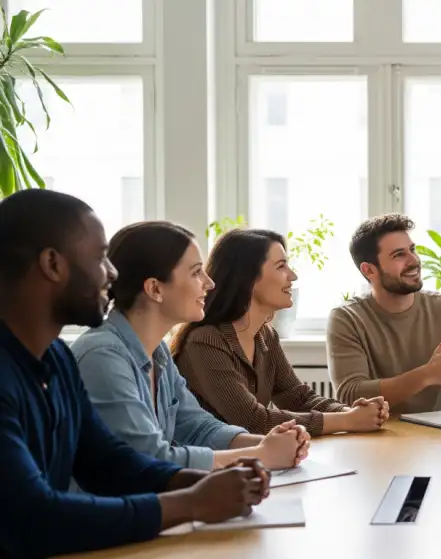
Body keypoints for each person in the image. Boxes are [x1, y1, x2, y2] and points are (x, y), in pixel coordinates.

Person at [0, 189, 271, 558]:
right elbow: (34, 518)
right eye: (100, 259)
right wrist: (191, 503)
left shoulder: (57, 358)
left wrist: (201, 481)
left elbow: (106, 460)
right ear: (52, 264)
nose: (112, 275)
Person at [70, 221, 310, 471]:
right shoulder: (103, 356)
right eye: (196, 272)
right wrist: (261, 455)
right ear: (155, 289)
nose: (209, 283)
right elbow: (149, 459)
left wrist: (269, 443)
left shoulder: (157, 352)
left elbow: (198, 428)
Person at [171, 228, 389, 436]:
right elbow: (254, 421)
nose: (292, 275)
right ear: (248, 277)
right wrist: (348, 421)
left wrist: (350, 412)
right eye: (281, 266)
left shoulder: (265, 335)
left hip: (252, 461)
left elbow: (297, 397)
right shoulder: (205, 341)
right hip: (213, 468)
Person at [327, 214, 441, 417]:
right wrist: (426, 375)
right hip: (374, 440)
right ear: (369, 270)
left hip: (438, 439)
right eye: (399, 255)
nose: (414, 260)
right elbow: (350, 395)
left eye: (412, 250)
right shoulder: (347, 318)